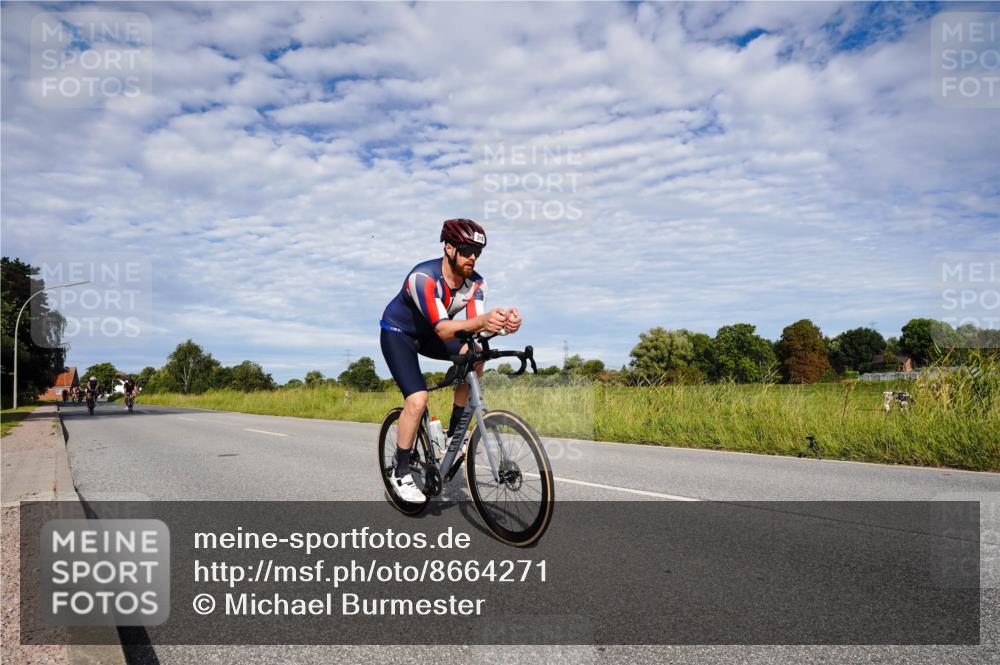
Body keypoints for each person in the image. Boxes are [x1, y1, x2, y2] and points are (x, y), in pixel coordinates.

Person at [380, 219, 522, 502]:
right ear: (448, 248)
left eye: (478, 252)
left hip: (432, 334)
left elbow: (477, 327)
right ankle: (400, 470)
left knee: (476, 354)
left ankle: (454, 433)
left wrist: (503, 326)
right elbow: (444, 329)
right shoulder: (423, 278)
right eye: (467, 250)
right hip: (399, 334)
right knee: (417, 400)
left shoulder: (476, 283)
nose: (473, 257)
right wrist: (482, 321)